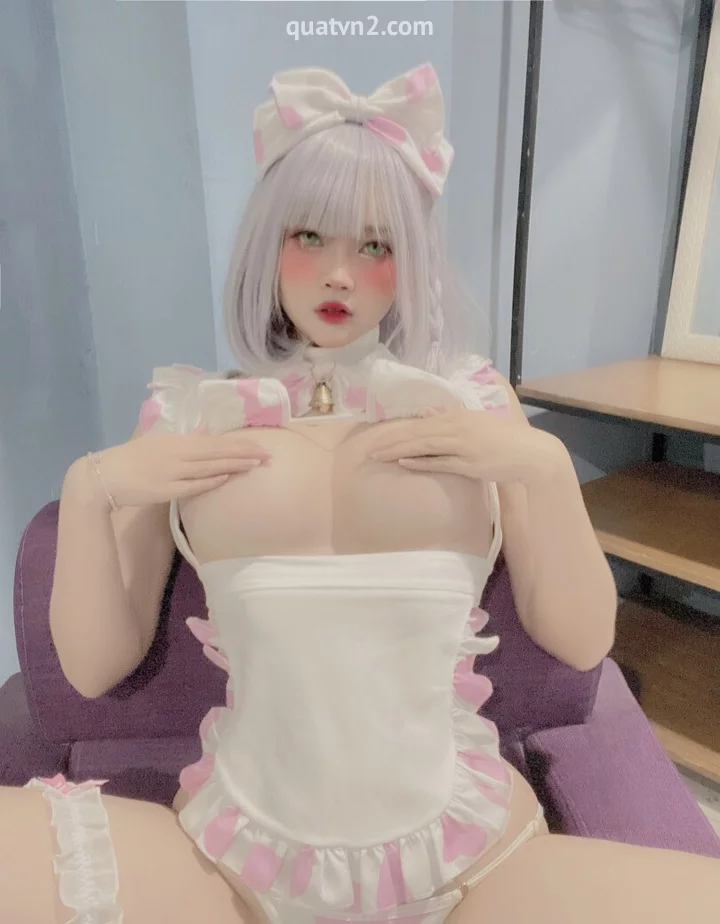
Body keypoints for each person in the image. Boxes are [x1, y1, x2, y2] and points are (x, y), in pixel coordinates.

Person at [1, 63, 718, 924]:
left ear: (409, 262)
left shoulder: (472, 400)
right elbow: (92, 668)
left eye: (376, 247)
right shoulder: (191, 413)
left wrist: (545, 466)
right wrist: (89, 489)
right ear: (268, 245)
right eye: (311, 236)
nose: (340, 275)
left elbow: (582, 640)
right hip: (232, 860)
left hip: (474, 857)